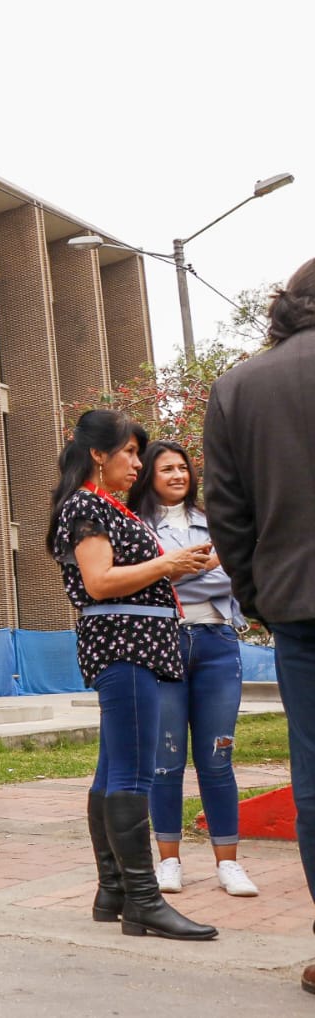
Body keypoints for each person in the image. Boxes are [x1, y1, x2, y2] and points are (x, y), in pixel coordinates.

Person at [49, 409, 215, 941]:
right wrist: (169, 566)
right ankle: (142, 900)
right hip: (125, 644)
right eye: (129, 452)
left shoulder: (107, 507)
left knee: (114, 767)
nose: (137, 463)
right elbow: (99, 581)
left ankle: (114, 891)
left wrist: (190, 561)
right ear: (99, 454)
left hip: (134, 642)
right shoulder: (86, 505)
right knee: (133, 772)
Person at [203, 257, 315, 990]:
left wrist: (259, 596)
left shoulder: (239, 386)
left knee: (312, 780)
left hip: (298, 606)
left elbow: (227, 514)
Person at [129, 441, 258, 898]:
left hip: (217, 643)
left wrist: (173, 570)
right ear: (150, 476)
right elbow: (140, 580)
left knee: (217, 758)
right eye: (166, 469)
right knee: (166, 761)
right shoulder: (136, 526)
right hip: (164, 644)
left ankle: (229, 864)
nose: (177, 475)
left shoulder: (214, 521)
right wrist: (189, 567)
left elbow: (234, 574)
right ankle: (169, 861)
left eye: (182, 468)